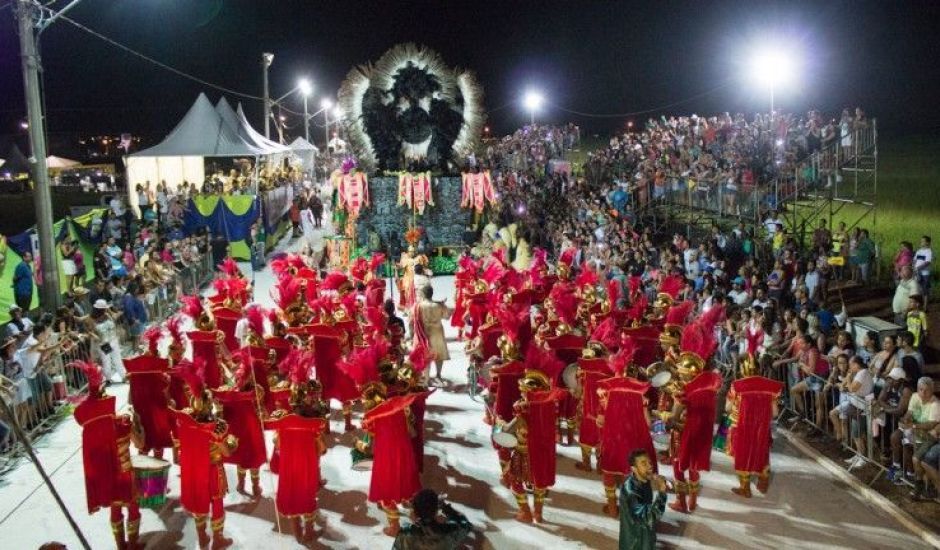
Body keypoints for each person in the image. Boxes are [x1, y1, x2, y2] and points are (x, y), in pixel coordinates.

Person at [72, 360, 143, 550]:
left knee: (115, 507)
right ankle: (133, 545)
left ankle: (120, 546)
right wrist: (133, 422)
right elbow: (140, 443)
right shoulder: (121, 426)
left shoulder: (89, 430)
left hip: (103, 473)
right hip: (123, 473)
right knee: (133, 507)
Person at [618, 449, 668, 550]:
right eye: (644, 464)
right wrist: (662, 493)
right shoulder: (630, 491)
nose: (650, 466)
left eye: (649, 462)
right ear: (634, 469)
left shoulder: (642, 479)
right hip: (636, 541)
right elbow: (647, 518)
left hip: (645, 533)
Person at [392, 489, 472, 550]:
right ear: (436, 510)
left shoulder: (406, 534)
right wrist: (445, 507)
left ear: (415, 511)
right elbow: (465, 524)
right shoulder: (449, 532)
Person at [413, 285, 451, 382]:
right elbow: (447, 316)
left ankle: (426, 377)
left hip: (424, 332)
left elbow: (412, 318)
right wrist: (443, 305)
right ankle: (438, 375)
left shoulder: (418, 306)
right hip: (437, 332)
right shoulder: (438, 305)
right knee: (438, 355)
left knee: (425, 354)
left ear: (423, 294)